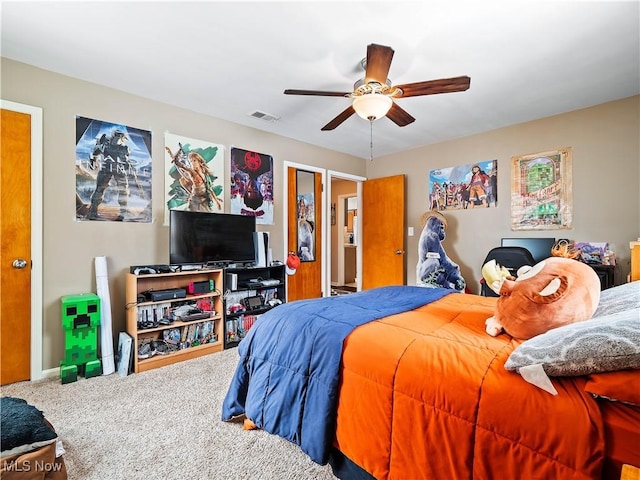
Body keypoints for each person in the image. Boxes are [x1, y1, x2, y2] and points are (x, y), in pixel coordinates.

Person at [87, 129, 132, 220]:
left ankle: (93, 212)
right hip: (116, 169)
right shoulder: (123, 148)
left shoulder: (104, 146)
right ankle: (123, 213)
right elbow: (126, 162)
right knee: (122, 191)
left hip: (108, 169)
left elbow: (94, 153)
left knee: (100, 190)